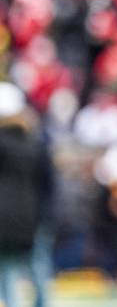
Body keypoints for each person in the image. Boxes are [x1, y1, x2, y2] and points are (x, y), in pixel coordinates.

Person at [0, 83, 55, 307]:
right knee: (38, 272)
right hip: (35, 215)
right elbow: (49, 186)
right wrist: (47, 215)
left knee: (8, 272)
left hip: (5, 219)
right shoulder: (36, 142)